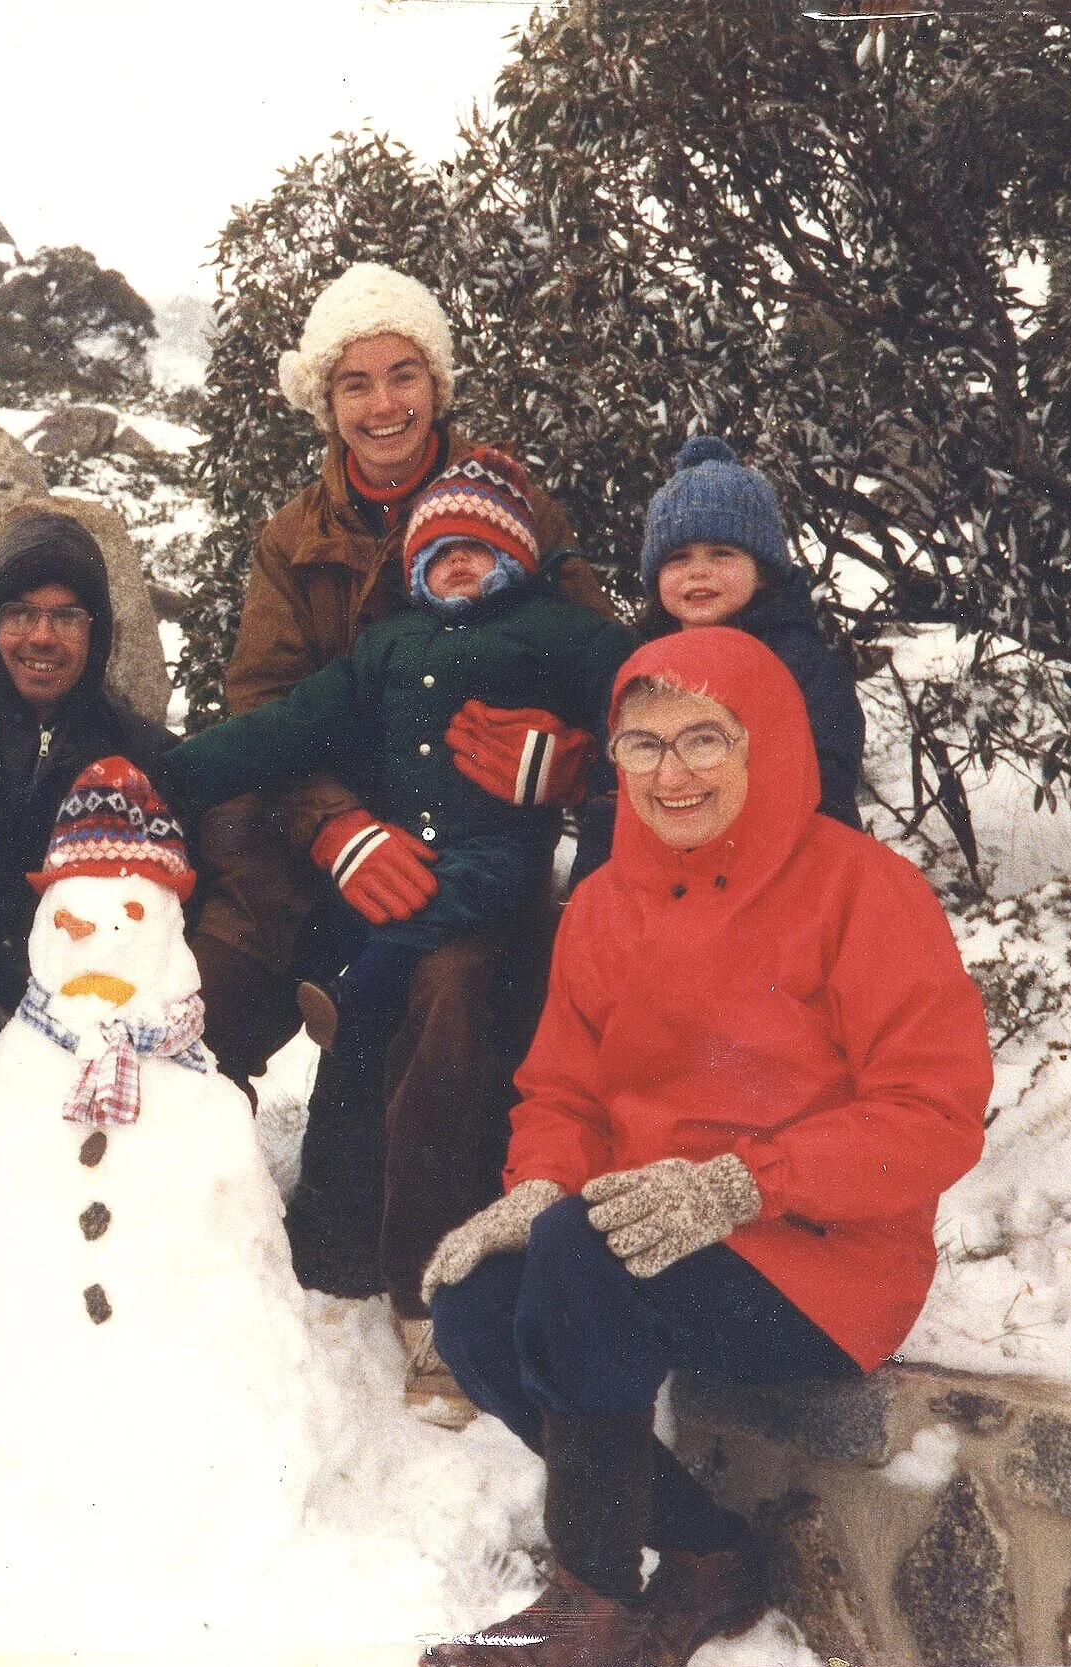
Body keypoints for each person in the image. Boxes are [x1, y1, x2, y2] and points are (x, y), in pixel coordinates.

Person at [420, 627, 991, 1667]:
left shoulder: (859, 889)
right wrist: (539, 1181)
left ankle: (585, 1605)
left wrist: (742, 1184)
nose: (669, 773)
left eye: (702, 741)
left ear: (763, 744)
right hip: (639, 1237)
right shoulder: (598, 904)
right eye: (641, 745)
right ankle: (704, 1552)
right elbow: (562, 1089)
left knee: (581, 1256)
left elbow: (933, 1110)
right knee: (473, 1303)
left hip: (825, 1256)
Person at [187, 263, 615, 1419]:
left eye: (402, 375)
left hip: (475, 846)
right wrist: (332, 828)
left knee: (455, 979)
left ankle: (432, 1294)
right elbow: (264, 707)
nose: (383, 407)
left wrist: (563, 760)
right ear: (323, 405)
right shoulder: (293, 541)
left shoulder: (513, 503)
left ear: (436, 379)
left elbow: (602, 669)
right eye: (355, 385)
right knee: (197, 994)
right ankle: (170, 1259)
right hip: (323, 839)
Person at [164, 449, 633, 1049]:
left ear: (516, 556)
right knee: (340, 915)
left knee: (461, 901)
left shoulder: (555, 627)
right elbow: (290, 719)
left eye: (477, 547)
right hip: (397, 835)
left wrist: (584, 762)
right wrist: (178, 772)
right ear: (414, 572)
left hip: (500, 842)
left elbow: (635, 694)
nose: (457, 560)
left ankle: (354, 992)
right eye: (439, 552)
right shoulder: (388, 644)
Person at [0, 511, 177, 1312]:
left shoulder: (145, 755)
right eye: (20, 614)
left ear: (98, 630)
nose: (41, 637)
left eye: (66, 616)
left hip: (86, 1041)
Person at [573, 434, 868, 881]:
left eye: (721, 553)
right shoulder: (639, 667)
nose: (698, 571)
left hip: (779, 870)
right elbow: (610, 791)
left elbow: (828, 776)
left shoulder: (799, 659)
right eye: (678, 558)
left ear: (762, 569)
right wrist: (592, 892)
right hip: (660, 872)